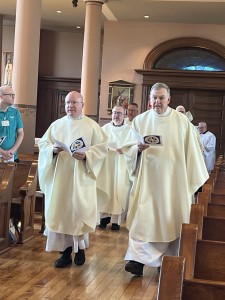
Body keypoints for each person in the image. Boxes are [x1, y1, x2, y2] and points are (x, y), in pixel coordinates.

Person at [124, 83, 209, 276]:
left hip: (173, 182)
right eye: (154, 97)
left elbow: (193, 151)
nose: (157, 101)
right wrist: (136, 150)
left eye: (161, 98)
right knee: (142, 219)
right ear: (150, 100)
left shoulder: (181, 122)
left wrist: (191, 180)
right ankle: (137, 261)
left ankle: (167, 260)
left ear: (169, 100)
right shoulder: (140, 121)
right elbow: (128, 148)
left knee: (171, 220)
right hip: (147, 181)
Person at [38, 91, 109, 268]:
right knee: (63, 214)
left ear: (82, 105)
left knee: (78, 213)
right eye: (68, 103)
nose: (70, 106)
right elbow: (43, 144)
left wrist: (87, 155)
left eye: (74, 103)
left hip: (81, 178)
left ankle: (80, 249)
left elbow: (102, 148)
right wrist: (52, 150)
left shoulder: (92, 126)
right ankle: (65, 252)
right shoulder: (56, 125)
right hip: (61, 179)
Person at [97, 106, 138, 230]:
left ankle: (116, 221)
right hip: (106, 164)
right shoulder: (104, 129)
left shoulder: (130, 130)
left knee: (120, 191)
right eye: (114, 113)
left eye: (119, 113)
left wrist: (125, 150)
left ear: (124, 115)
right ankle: (104, 218)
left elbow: (134, 146)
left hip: (122, 164)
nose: (116, 115)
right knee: (106, 187)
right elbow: (97, 145)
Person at [0, 85, 24, 163]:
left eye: (14, 95)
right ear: (1, 97)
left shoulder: (15, 112)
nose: (13, 97)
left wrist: (12, 150)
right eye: (10, 95)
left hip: (12, 156)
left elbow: (20, 133)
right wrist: (2, 152)